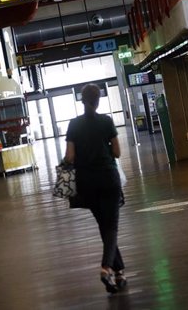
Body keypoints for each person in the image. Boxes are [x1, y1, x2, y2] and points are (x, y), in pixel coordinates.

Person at [64, 83, 126, 293]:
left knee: (105, 227)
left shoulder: (73, 124)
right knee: (111, 228)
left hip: (86, 183)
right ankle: (106, 269)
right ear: (98, 100)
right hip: (108, 180)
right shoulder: (106, 121)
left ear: (82, 100)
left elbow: (69, 157)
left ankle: (120, 273)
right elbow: (117, 153)